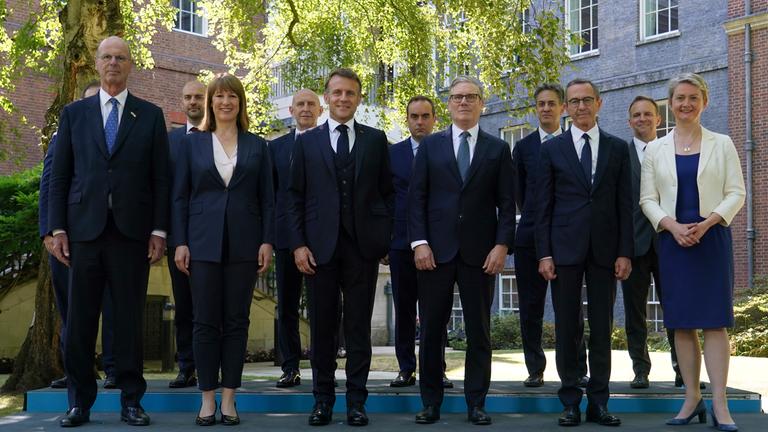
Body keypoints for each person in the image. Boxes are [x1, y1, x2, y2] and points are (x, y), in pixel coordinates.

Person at [49, 36, 169, 427]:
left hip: (131, 235)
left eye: (120, 57)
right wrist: (56, 229)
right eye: (107, 57)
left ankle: (132, 402)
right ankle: (78, 403)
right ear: (96, 64)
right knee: (80, 323)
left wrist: (159, 231)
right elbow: (59, 176)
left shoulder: (149, 115)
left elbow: (160, 180)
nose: (114, 63)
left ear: (130, 64)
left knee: (129, 322)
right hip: (83, 235)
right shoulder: (74, 114)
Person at [288, 68, 394, 427]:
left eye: (350, 93)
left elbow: (387, 195)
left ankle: (357, 402)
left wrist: (382, 240)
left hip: (363, 249)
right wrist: (299, 244)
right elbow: (294, 197)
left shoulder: (376, 140)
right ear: (326, 98)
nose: (344, 98)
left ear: (359, 98)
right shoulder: (306, 142)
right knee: (322, 329)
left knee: (359, 328)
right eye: (337, 93)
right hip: (319, 249)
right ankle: (322, 401)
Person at [640, 73, 745, 430]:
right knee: (682, 325)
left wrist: (708, 222)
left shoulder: (723, 143)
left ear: (704, 102)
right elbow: (647, 200)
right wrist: (671, 226)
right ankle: (691, 399)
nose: (686, 104)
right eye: (680, 98)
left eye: (693, 98)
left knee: (715, 323)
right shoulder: (655, 149)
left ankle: (720, 404)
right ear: (670, 104)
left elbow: (736, 193)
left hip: (711, 240)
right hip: (673, 243)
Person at [408, 76, 515, 425]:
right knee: (432, 331)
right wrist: (419, 242)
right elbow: (417, 199)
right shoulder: (430, 146)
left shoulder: (497, 149)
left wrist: (501, 246)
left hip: (480, 255)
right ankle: (430, 403)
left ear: (482, 103)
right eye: (457, 97)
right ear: (449, 104)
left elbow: (506, 203)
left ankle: (476, 403)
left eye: (471, 97)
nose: (464, 102)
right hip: (435, 254)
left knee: (479, 333)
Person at [172, 73, 274, 426]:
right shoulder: (192, 145)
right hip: (201, 243)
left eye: (232, 96)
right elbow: (180, 196)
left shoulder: (258, 146)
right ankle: (206, 398)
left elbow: (268, 200)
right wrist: (180, 241)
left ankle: (229, 398)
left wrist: (267, 240)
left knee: (236, 322)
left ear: (240, 102)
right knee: (204, 321)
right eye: (219, 96)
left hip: (245, 244)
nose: (226, 102)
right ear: (210, 102)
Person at [535, 78, 632, 427]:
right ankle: (571, 401)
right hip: (563, 251)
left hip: (606, 252)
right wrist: (544, 254)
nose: (580, 107)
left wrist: (625, 252)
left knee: (602, 328)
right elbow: (542, 206)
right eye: (573, 102)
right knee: (567, 329)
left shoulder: (618, 148)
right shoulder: (552, 149)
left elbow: (625, 204)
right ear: (565, 107)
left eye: (586, 100)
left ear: (599, 103)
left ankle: (599, 403)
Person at [39, 81, 118, 390]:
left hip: (111, 238)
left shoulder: (117, 138)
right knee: (71, 309)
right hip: (68, 241)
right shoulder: (63, 137)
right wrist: (49, 231)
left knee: (113, 306)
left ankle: (113, 369)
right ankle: (77, 372)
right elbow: (49, 184)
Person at [512, 83, 588, 389]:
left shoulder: (576, 143)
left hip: (568, 238)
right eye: (540, 104)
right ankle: (535, 368)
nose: (545, 108)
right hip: (530, 236)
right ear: (536, 109)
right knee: (530, 307)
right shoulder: (523, 148)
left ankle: (576, 368)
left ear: (563, 108)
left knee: (570, 309)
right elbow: (518, 192)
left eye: (551, 103)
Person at [388, 95, 453, 390]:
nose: (420, 122)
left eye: (425, 116)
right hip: (401, 243)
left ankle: (436, 368)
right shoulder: (393, 154)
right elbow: (384, 199)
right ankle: (405, 368)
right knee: (404, 307)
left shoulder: (446, 150)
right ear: (407, 120)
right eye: (414, 116)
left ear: (435, 119)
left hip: (437, 244)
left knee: (435, 310)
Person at [622, 95, 681, 390]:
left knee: (677, 308)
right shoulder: (620, 153)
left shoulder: (673, 151)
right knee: (634, 312)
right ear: (630, 121)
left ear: (658, 119)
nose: (642, 119)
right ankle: (640, 370)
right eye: (636, 115)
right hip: (632, 245)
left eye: (648, 114)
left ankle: (683, 369)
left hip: (670, 241)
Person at [268, 88, 323, 388]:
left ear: (320, 110)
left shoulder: (329, 143)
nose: (305, 109)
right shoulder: (274, 149)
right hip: (286, 239)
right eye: (300, 104)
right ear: (290, 111)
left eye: (311, 104)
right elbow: (271, 197)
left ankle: (321, 367)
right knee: (287, 306)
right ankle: (290, 367)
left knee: (322, 308)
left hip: (321, 239)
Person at [166, 79, 205, 389]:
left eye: (199, 97)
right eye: (188, 97)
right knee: (184, 305)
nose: (193, 102)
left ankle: (214, 367)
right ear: (182, 102)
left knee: (214, 307)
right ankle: (187, 366)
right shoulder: (169, 141)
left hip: (217, 236)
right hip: (179, 236)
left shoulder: (224, 137)